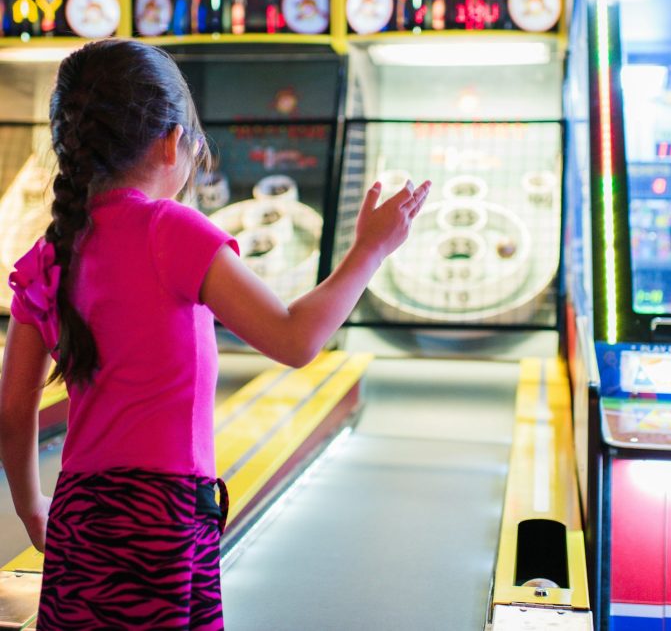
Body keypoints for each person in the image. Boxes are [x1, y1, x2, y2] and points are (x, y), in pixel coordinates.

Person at [0, 39, 430, 630]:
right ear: (172, 141)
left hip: (79, 510)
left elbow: (13, 406)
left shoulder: (50, 252)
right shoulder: (170, 229)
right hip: (161, 517)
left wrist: (31, 507)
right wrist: (370, 250)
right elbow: (296, 338)